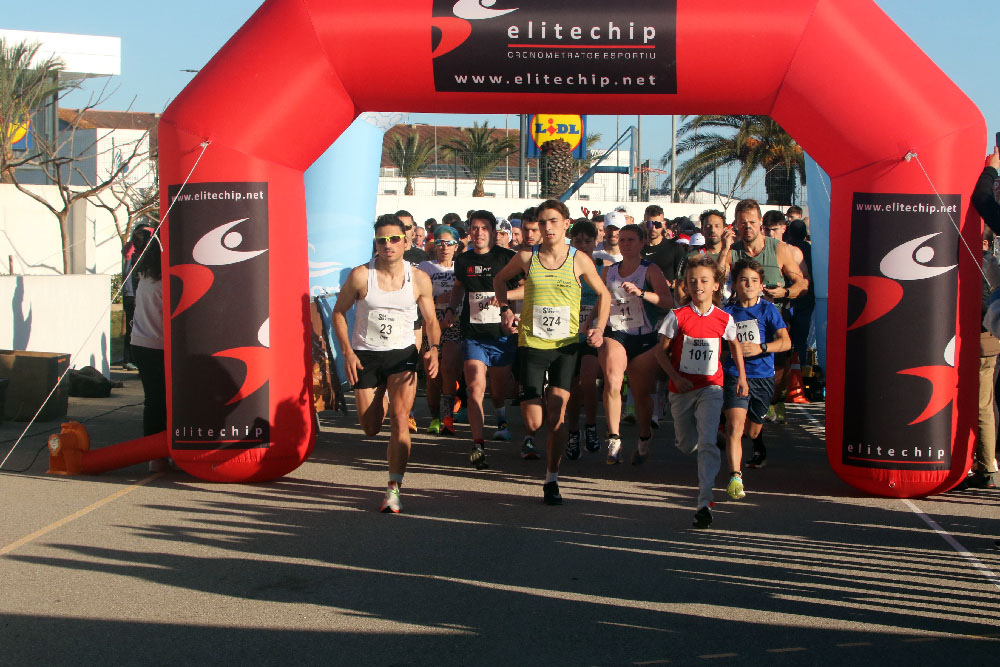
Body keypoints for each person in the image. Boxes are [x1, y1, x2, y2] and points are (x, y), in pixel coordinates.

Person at [494, 199, 610, 505]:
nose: (547, 228)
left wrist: (599, 327)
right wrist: (505, 309)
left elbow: (604, 294)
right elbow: (499, 280)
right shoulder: (526, 257)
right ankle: (539, 401)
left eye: (553, 221)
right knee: (534, 422)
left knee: (556, 417)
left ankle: (552, 478)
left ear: (566, 224)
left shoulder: (579, 260)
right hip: (532, 345)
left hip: (565, 347)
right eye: (542, 222)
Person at [332, 214, 440, 513]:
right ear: (375, 244)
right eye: (382, 240)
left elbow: (431, 320)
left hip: (401, 355)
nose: (388, 245)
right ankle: (380, 390)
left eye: (394, 239)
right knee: (369, 427)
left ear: (406, 241)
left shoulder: (418, 278)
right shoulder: (360, 276)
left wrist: (433, 349)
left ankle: (394, 488)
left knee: (400, 418)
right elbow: (338, 313)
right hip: (366, 355)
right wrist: (347, 352)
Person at [635, 254, 748, 528]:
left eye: (704, 281)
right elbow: (660, 353)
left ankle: (704, 502)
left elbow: (734, 345)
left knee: (707, 443)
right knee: (687, 444)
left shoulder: (724, 318)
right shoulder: (676, 317)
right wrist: (675, 377)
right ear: (686, 284)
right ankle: (704, 438)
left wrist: (742, 377)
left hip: (711, 387)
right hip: (681, 389)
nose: (698, 286)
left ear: (716, 285)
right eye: (693, 281)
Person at [446, 211, 519, 469]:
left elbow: (527, 287)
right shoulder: (463, 260)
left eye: (484, 228)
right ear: (469, 231)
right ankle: (478, 444)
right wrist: (451, 308)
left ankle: (501, 416)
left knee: (498, 389)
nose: (478, 233)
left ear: (493, 231)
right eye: (474, 228)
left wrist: (505, 298)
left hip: (501, 336)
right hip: (473, 335)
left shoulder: (507, 258)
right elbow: (458, 287)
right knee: (475, 387)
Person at [729, 199, 808, 441]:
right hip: (740, 320)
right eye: (743, 223)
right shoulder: (733, 251)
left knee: (777, 372)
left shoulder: (779, 249)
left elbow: (802, 283)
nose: (748, 227)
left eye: (752, 222)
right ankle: (737, 423)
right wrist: (723, 251)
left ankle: (772, 403)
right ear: (736, 224)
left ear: (760, 222)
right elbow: (718, 278)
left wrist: (784, 292)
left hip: (774, 319)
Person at [596, 222, 674, 465]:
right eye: (622, 240)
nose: (626, 244)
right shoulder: (609, 271)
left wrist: (641, 293)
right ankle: (614, 438)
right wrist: (594, 325)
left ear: (642, 243)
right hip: (615, 333)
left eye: (631, 240)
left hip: (643, 336)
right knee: (613, 380)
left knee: (641, 395)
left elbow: (668, 301)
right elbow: (603, 301)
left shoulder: (651, 270)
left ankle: (644, 435)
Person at [722, 259, 790, 499]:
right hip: (735, 374)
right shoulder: (727, 313)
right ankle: (735, 477)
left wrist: (761, 347)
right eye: (743, 280)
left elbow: (786, 342)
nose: (749, 285)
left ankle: (751, 442)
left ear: (761, 286)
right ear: (735, 285)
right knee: (735, 427)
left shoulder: (768, 310)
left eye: (754, 281)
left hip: (762, 376)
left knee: (751, 432)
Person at [129, 228, 168, 472]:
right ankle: (159, 455)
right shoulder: (166, 280)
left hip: (140, 343)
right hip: (158, 345)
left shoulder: (145, 275)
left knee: (153, 401)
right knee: (162, 401)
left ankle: (155, 455)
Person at [418, 226, 463, 436]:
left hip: (454, 323)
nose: (444, 248)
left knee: (448, 369)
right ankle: (435, 418)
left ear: (456, 246)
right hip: (431, 324)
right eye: (440, 243)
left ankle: (447, 418)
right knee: (432, 376)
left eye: (449, 243)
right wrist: (437, 299)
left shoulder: (461, 266)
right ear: (434, 246)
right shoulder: (425, 267)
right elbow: (417, 296)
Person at [565, 220, 604, 459]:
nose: (583, 245)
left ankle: (590, 425)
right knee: (571, 387)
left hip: (592, 334)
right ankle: (573, 432)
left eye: (587, 241)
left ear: (595, 242)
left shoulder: (603, 268)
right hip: (568, 334)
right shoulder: (564, 267)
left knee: (588, 381)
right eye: (578, 241)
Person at [640, 204, 686, 288]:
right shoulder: (637, 248)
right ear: (644, 224)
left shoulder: (674, 248)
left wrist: (670, 284)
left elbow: (684, 279)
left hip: (667, 294)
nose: (653, 228)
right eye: (649, 224)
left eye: (657, 224)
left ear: (664, 224)